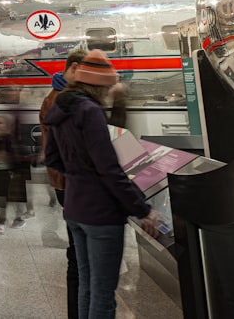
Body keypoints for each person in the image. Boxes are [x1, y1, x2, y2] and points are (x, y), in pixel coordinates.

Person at [44, 49, 163, 319]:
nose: (110, 91)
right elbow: (109, 169)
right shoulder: (90, 111)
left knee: (86, 285)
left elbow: (51, 157)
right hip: (101, 215)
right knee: (103, 293)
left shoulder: (61, 107)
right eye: (108, 86)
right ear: (98, 85)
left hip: (75, 208)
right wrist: (142, 209)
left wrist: (78, 175)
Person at [39, 49, 86, 319]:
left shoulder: (53, 96)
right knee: (80, 256)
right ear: (76, 68)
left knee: (76, 252)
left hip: (62, 180)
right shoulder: (65, 100)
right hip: (73, 183)